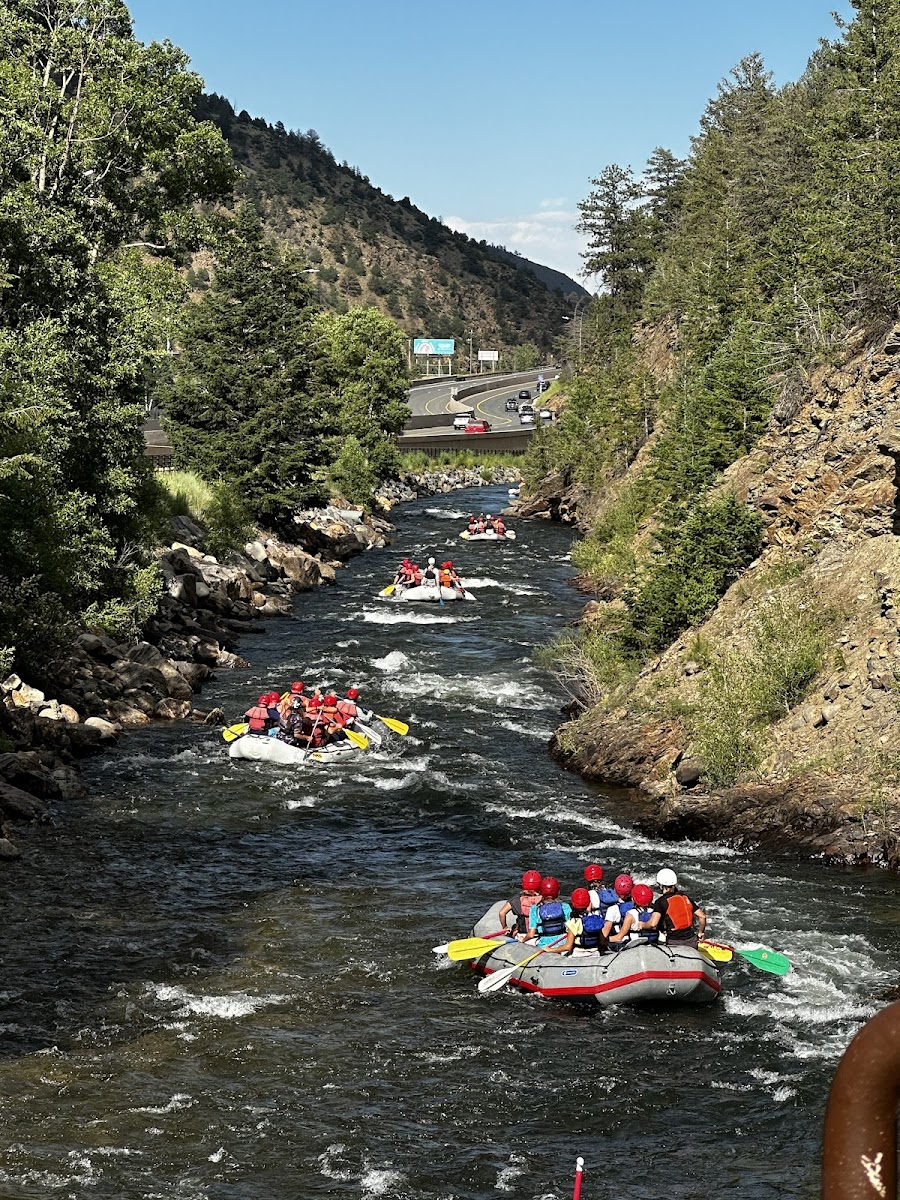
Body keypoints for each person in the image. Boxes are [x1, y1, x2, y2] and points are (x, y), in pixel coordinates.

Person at [646, 869, 706, 947]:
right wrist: (700, 933)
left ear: (661, 885)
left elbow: (653, 924)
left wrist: (641, 925)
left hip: (674, 943)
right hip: (692, 941)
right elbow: (702, 916)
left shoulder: (660, 902)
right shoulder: (685, 897)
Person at [557, 888, 608, 956]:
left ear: (573, 904)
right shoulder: (596, 920)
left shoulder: (573, 922)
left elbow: (568, 947)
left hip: (577, 955)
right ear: (589, 903)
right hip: (595, 954)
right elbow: (602, 942)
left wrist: (550, 949)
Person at [526, 876, 572, 947]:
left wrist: (522, 940)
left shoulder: (535, 909)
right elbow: (571, 929)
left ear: (540, 892)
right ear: (558, 892)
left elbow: (531, 934)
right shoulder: (565, 907)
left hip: (544, 944)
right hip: (563, 942)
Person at [498, 870, 543, 939]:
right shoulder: (543, 899)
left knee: (514, 927)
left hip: (521, 935)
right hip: (539, 935)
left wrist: (505, 927)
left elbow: (502, 913)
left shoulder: (516, 899)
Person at [601, 874, 636, 941]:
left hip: (618, 942)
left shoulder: (612, 909)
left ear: (615, 890)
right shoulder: (636, 907)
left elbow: (605, 934)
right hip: (632, 939)